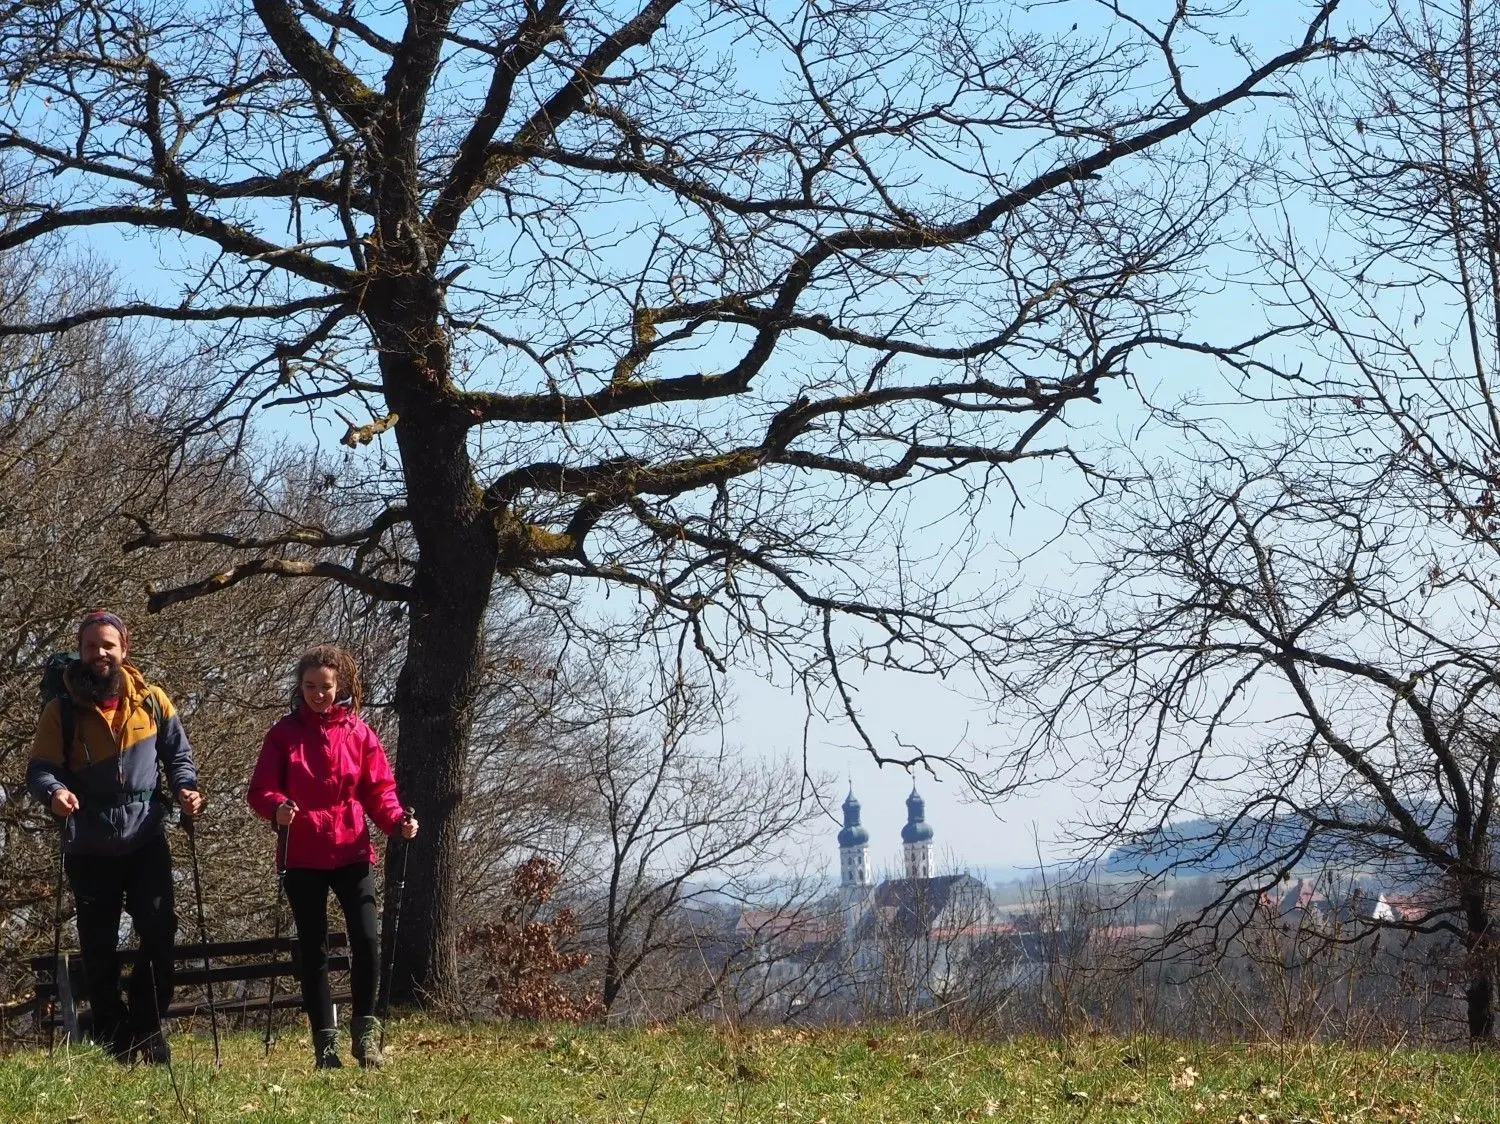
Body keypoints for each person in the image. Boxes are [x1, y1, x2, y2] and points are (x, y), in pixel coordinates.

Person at [26, 610, 204, 1064]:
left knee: (160, 932)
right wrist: (55, 793)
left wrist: (187, 788)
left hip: (145, 837)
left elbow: (178, 754)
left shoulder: (153, 700)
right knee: (98, 946)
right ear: (81, 651)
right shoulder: (61, 710)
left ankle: (147, 1026)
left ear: (125, 649)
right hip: (88, 843)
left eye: (108, 645)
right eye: (91, 646)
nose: (100, 653)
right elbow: (40, 768)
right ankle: (113, 1033)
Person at [247, 644, 418, 1069]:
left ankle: (366, 1037)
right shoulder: (283, 734)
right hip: (301, 852)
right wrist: (278, 808)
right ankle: (325, 1046)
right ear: (299, 687)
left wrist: (397, 821)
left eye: (325, 687)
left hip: (351, 848)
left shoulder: (359, 733)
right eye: (309, 687)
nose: (317, 694)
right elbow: (261, 789)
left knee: (367, 939)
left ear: (340, 686)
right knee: (313, 946)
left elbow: (379, 790)